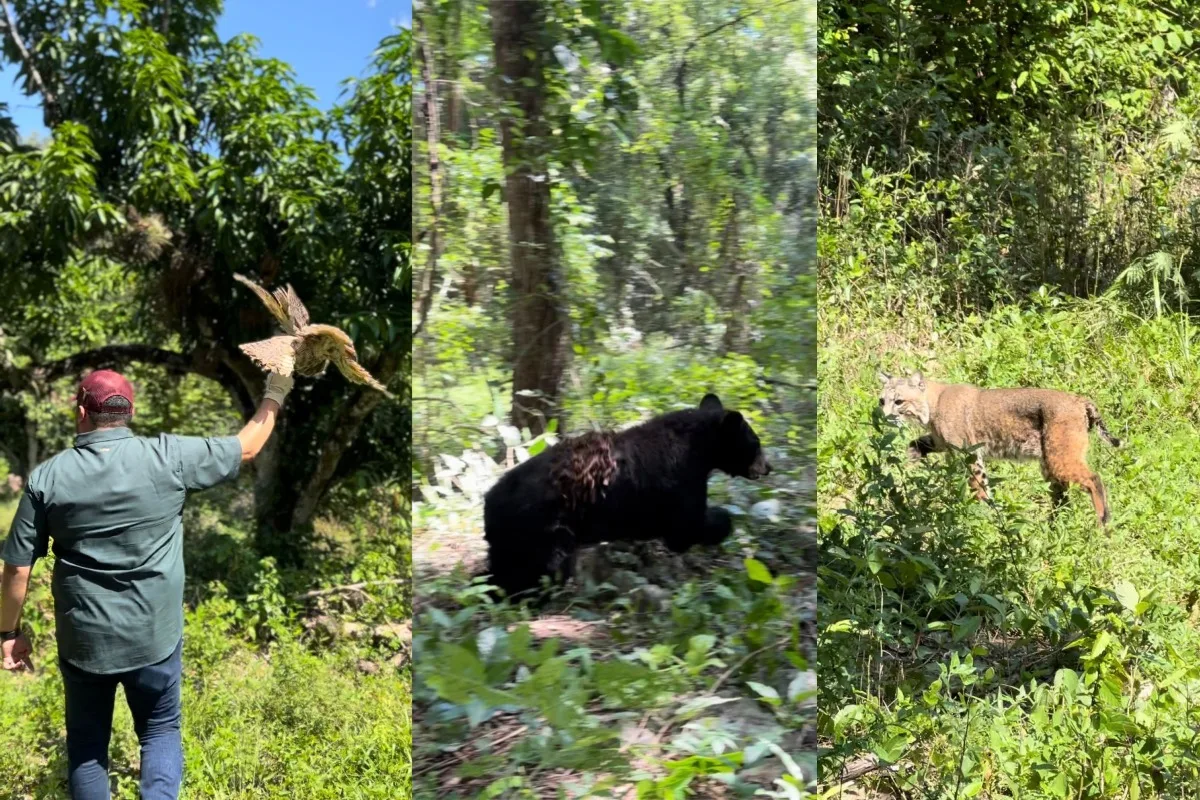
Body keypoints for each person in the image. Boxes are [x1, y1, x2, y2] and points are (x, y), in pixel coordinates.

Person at [0, 368, 294, 799]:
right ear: (130, 412)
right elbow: (247, 448)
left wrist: (8, 632)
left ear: (80, 412)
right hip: (154, 636)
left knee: (86, 746)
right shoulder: (169, 456)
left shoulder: (48, 477)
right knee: (159, 731)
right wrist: (276, 391)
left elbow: (16, 570)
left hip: (85, 643)